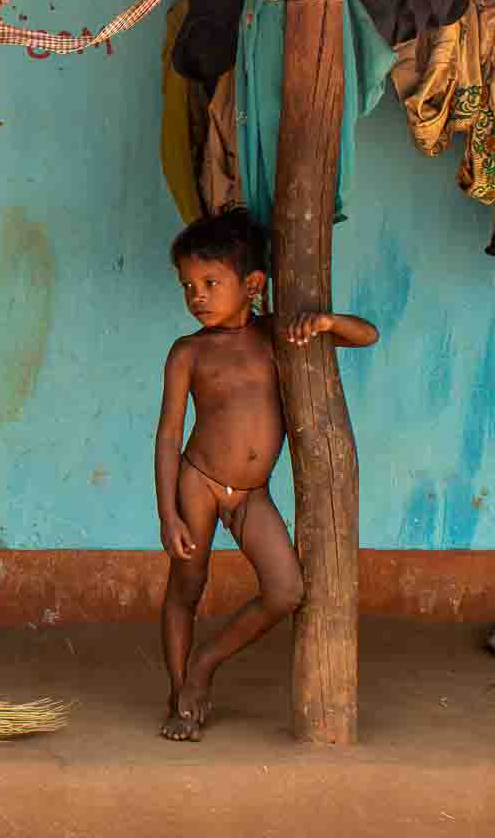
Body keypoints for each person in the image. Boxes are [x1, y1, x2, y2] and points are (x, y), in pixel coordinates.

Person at [156, 209, 378, 742]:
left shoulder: (275, 335)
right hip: (199, 482)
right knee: (187, 586)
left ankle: (205, 662)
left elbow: (366, 335)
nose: (197, 296)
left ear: (253, 285)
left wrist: (324, 322)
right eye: (188, 286)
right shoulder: (188, 352)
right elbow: (168, 435)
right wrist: (168, 515)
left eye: (211, 283)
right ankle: (181, 692)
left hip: (251, 494)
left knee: (285, 590)